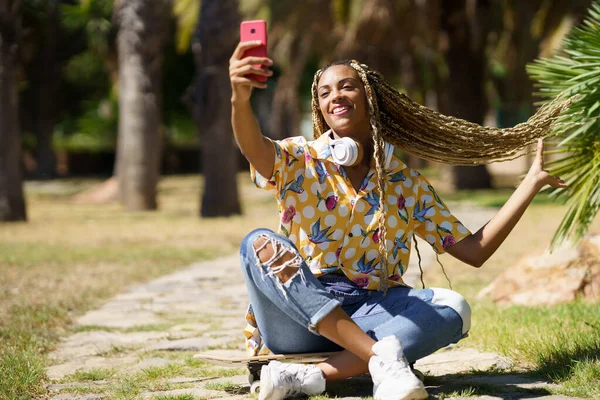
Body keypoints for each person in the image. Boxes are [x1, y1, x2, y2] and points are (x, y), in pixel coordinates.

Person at [229, 40, 568, 400]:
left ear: (371, 99)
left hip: (373, 309)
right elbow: (255, 148)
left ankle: (307, 378)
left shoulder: (405, 183)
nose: (335, 97)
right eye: (325, 92)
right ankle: (381, 359)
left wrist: (530, 184)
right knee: (258, 243)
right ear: (320, 108)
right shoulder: (300, 159)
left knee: (454, 309)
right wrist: (239, 98)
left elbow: (474, 251)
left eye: (347, 86)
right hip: (297, 317)